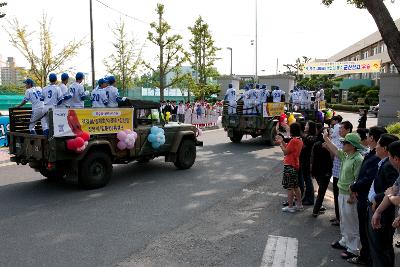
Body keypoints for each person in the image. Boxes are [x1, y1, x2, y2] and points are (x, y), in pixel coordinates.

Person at [347, 126, 387, 265]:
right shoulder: (372, 154)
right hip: (363, 195)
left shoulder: (378, 158)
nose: (367, 138)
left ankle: (366, 258)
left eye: (369, 136)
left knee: (366, 231)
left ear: (372, 138)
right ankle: (365, 256)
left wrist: (354, 186)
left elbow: (368, 178)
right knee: (364, 229)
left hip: (367, 199)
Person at [324, 131, 364, 260]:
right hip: (342, 192)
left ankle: (353, 249)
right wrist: (326, 138)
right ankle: (345, 241)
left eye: (345, 142)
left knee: (351, 222)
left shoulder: (358, 158)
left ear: (352, 145)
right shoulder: (347, 155)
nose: (342, 144)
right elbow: (335, 150)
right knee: (344, 220)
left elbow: (358, 179)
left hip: (349, 195)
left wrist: (353, 195)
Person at [369, 134, 399, 267]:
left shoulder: (389, 166)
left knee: (382, 249)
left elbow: (392, 193)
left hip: (386, 218)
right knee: (379, 248)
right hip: (383, 213)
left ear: (396, 159)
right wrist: (378, 211)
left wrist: (390, 197)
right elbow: (392, 190)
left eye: (378, 144)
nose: (375, 147)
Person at [275, 122, 304, 213]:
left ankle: (290, 206)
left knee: (290, 187)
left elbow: (285, 152)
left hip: (290, 164)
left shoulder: (293, 140)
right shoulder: (298, 140)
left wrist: (280, 143)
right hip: (295, 164)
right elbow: (288, 147)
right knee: (295, 186)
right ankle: (299, 204)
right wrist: (282, 140)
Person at [311, 126, 333, 217]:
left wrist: (312, 172)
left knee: (321, 190)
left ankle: (319, 207)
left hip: (317, 172)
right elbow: (332, 157)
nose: (331, 135)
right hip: (325, 172)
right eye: (329, 134)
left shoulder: (316, 143)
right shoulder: (327, 145)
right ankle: (315, 210)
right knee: (321, 192)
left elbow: (312, 159)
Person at [330, 116, 345, 226]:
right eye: (338, 129)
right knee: (336, 196)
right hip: (335, 173)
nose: (339, 130)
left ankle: (340, 219)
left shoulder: (345, 144)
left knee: (340, 197)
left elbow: (337, 154)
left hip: (341, 175)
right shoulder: (340, 141)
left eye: (341, 129)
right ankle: (338, 216)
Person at [300, 121, 318, 205]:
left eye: (307, 125)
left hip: (307, 162)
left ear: (310, 127)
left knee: (308, 181)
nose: (305, 126)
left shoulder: (310, 138)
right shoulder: (309, 137)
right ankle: (306, 197)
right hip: (305, 161)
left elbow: (303, 148)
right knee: (307, 181)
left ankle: (310, 199)